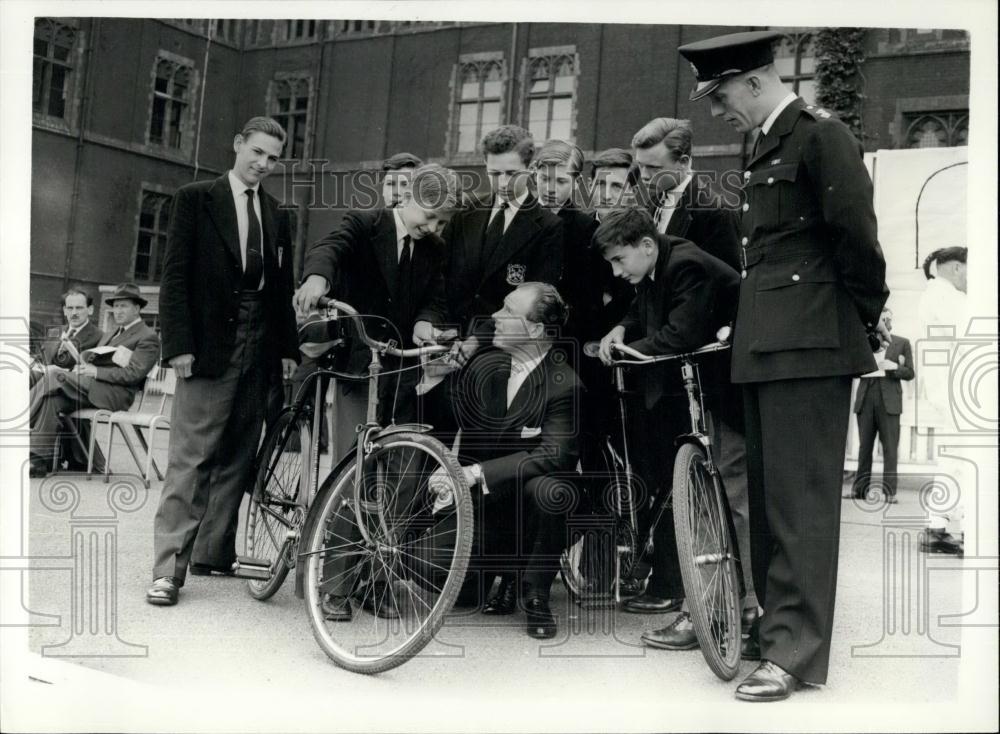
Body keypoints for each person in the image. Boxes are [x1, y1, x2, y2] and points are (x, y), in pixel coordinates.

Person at [679, 31, 889, 701]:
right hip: (767, 343)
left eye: (721, 97)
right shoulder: (766, 141)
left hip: (811, 346)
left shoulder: (820, 135)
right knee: (771, 505)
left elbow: (856, 238)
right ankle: (774, 633)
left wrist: (858, 319)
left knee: (800, 506)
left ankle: (793, 653)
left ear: (749, 81)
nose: (718, 111)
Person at [149, 117, 299, 607]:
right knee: (191, 457)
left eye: (272, 158)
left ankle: (213, 552)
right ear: (237, 144)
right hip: (209, 343)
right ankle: (168, 571)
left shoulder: (277, 213)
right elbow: (174, 279)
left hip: (260, 344)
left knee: (238, 450)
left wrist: (287, 351)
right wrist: (179, 346)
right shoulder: (195, 199)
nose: (262, 164)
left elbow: (280, 290)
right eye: (256, 152)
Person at [593, 208, 745, 637]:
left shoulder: (686, 263)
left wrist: (624, 351)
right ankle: (713, 606)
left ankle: (718, 608)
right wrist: (621, 329)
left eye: (619, 260)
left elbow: (681, 334)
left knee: (717, 502)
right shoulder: (660, 261)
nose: (616, 271)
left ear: (645, 246)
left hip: (724, 395)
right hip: (701, 389)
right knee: (697, 497)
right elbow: (646, 310)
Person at [426, 282, 583, 639]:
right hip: (489, 510)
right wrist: (448, 472)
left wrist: (476, 473)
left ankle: (535, 594)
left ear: (536, 329)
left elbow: (552, 455)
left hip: (531, 513)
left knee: (551, 487)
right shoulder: (488, 372)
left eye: (508, 311)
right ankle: (495, 574)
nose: (495, 316)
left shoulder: (565, 385)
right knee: (423, 563)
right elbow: (467, 438)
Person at [293, 163, 459, 460]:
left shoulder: (434, 247)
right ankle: (340, 507)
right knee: (352, 457)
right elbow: (330, 247)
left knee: (398, 458)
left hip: (402, 369)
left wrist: (425, 322)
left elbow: (435, 298)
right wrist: (317, 278)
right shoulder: (365, 223)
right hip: (360, 361)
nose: (433, 228)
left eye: (442, 223)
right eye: (429, 216)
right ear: (407, 196)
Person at [442, 124, 563, 349]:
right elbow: (442, 276)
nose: (503, 183)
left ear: (530, 169)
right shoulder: (465, 214)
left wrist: (477, 340)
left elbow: (534, 304)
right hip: (450, 340)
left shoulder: (549, 227)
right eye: (495, 174)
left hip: (501, 349)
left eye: (512, 173)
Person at [29, 284, 159, 477]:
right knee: (52, 400)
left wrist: (95, 371)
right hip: (95, 387)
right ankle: (38, 460)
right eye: (115, 306)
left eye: (124, 306)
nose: (118, 311)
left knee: (54, 375)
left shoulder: (147, 336)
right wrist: (84, 365)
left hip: (116, 394)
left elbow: (134, 374)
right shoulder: (113, 333)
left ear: (137, 308)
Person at [632, 116, 742, 271]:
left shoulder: (717, 211)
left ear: (683, 162)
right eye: (640, 166)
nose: (643, 176)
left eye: (654, 168)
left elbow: (727, 280)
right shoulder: (653, 203)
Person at [916, 246, 968, 556]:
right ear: (957, 268)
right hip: (958, 388)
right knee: (964, 460)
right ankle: (958, 527)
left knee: (954, 458)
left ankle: (937, 526)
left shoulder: (934, 294)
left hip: (947, 387)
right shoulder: (946, 295)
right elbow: (972, 335)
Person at [849, 307, 914, 504]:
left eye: (888, 319)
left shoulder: (902, 343)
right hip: (866, 398)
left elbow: (910, 372)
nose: (885, 321)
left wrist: (895, 367)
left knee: (890, 448)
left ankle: (890, 493)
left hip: (890, 402)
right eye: (881, 318)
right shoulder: (863, 341)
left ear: (892, 322)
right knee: (864, 447)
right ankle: (860, 490)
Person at [589, 147, 636, 222]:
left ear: (632, 191)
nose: (607, 196)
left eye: (617, 186)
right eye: (601, 184)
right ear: (590, 186)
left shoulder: (642, 231)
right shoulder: (576, 228)